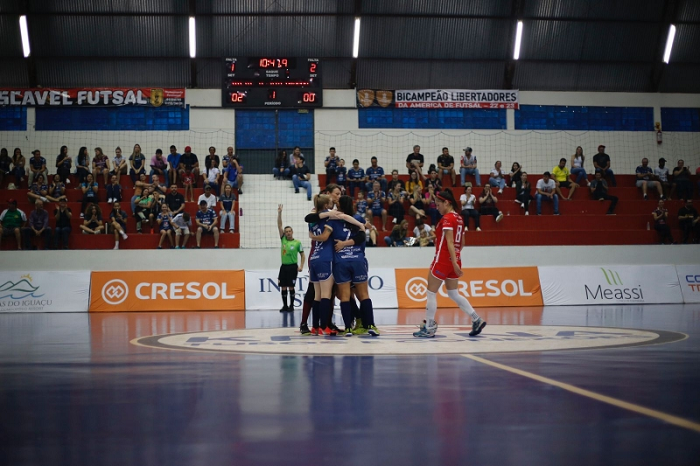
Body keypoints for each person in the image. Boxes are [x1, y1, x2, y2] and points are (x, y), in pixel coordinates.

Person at [413, 189, 486, 338]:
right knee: (453, 293)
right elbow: (461, 243)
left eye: (438, 204)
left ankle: (429, 327)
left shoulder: (446, 219)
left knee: (431, 293)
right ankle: (476, 318)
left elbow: (450, 241)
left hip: (443, 260)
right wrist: (455, 260)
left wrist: (450, 260)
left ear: (447, 203)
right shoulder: (459, 218)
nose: (437, 207)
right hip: (455, 259)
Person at [329, 195, 379, 335]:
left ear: (340, 206)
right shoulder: (358, 219)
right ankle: (371, 326)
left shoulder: (333, 220)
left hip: (341, 261)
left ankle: (348, 328)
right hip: (358, 259)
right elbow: (363, 236)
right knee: (364, 295)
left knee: (345, 296)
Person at [277, 204, 305, 312]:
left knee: (291, 287)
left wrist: (302, 265)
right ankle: (285, 306)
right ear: (284, 233)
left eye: (289, 231)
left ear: (292, 232)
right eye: (286, 231)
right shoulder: (283, 240)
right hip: (284, 267)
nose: (288, 233)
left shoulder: (297, 243)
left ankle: (292, 306)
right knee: (283, 287)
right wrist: (279, 213)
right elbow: (279, 225)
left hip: (293, 267)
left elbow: (302, 255)